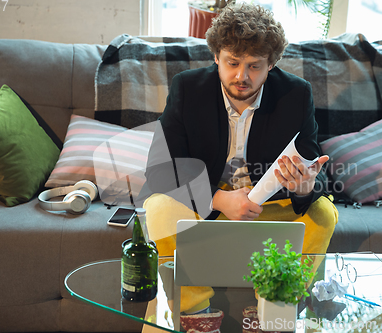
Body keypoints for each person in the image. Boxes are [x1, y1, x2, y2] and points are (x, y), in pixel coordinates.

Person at [142, 2, 338, 327]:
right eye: (232, 63)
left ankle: (276, 307)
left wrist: (304, 185)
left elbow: (313, 171)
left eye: (254, 66)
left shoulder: (296, 95)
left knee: (323, 214)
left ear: (271, 64)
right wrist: (219, 199)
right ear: (216, 56)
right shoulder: (188, 89)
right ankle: (194, 314)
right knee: (159, 208)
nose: (241, 76)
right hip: (204, 204)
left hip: (267, 208)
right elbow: (160, 168)